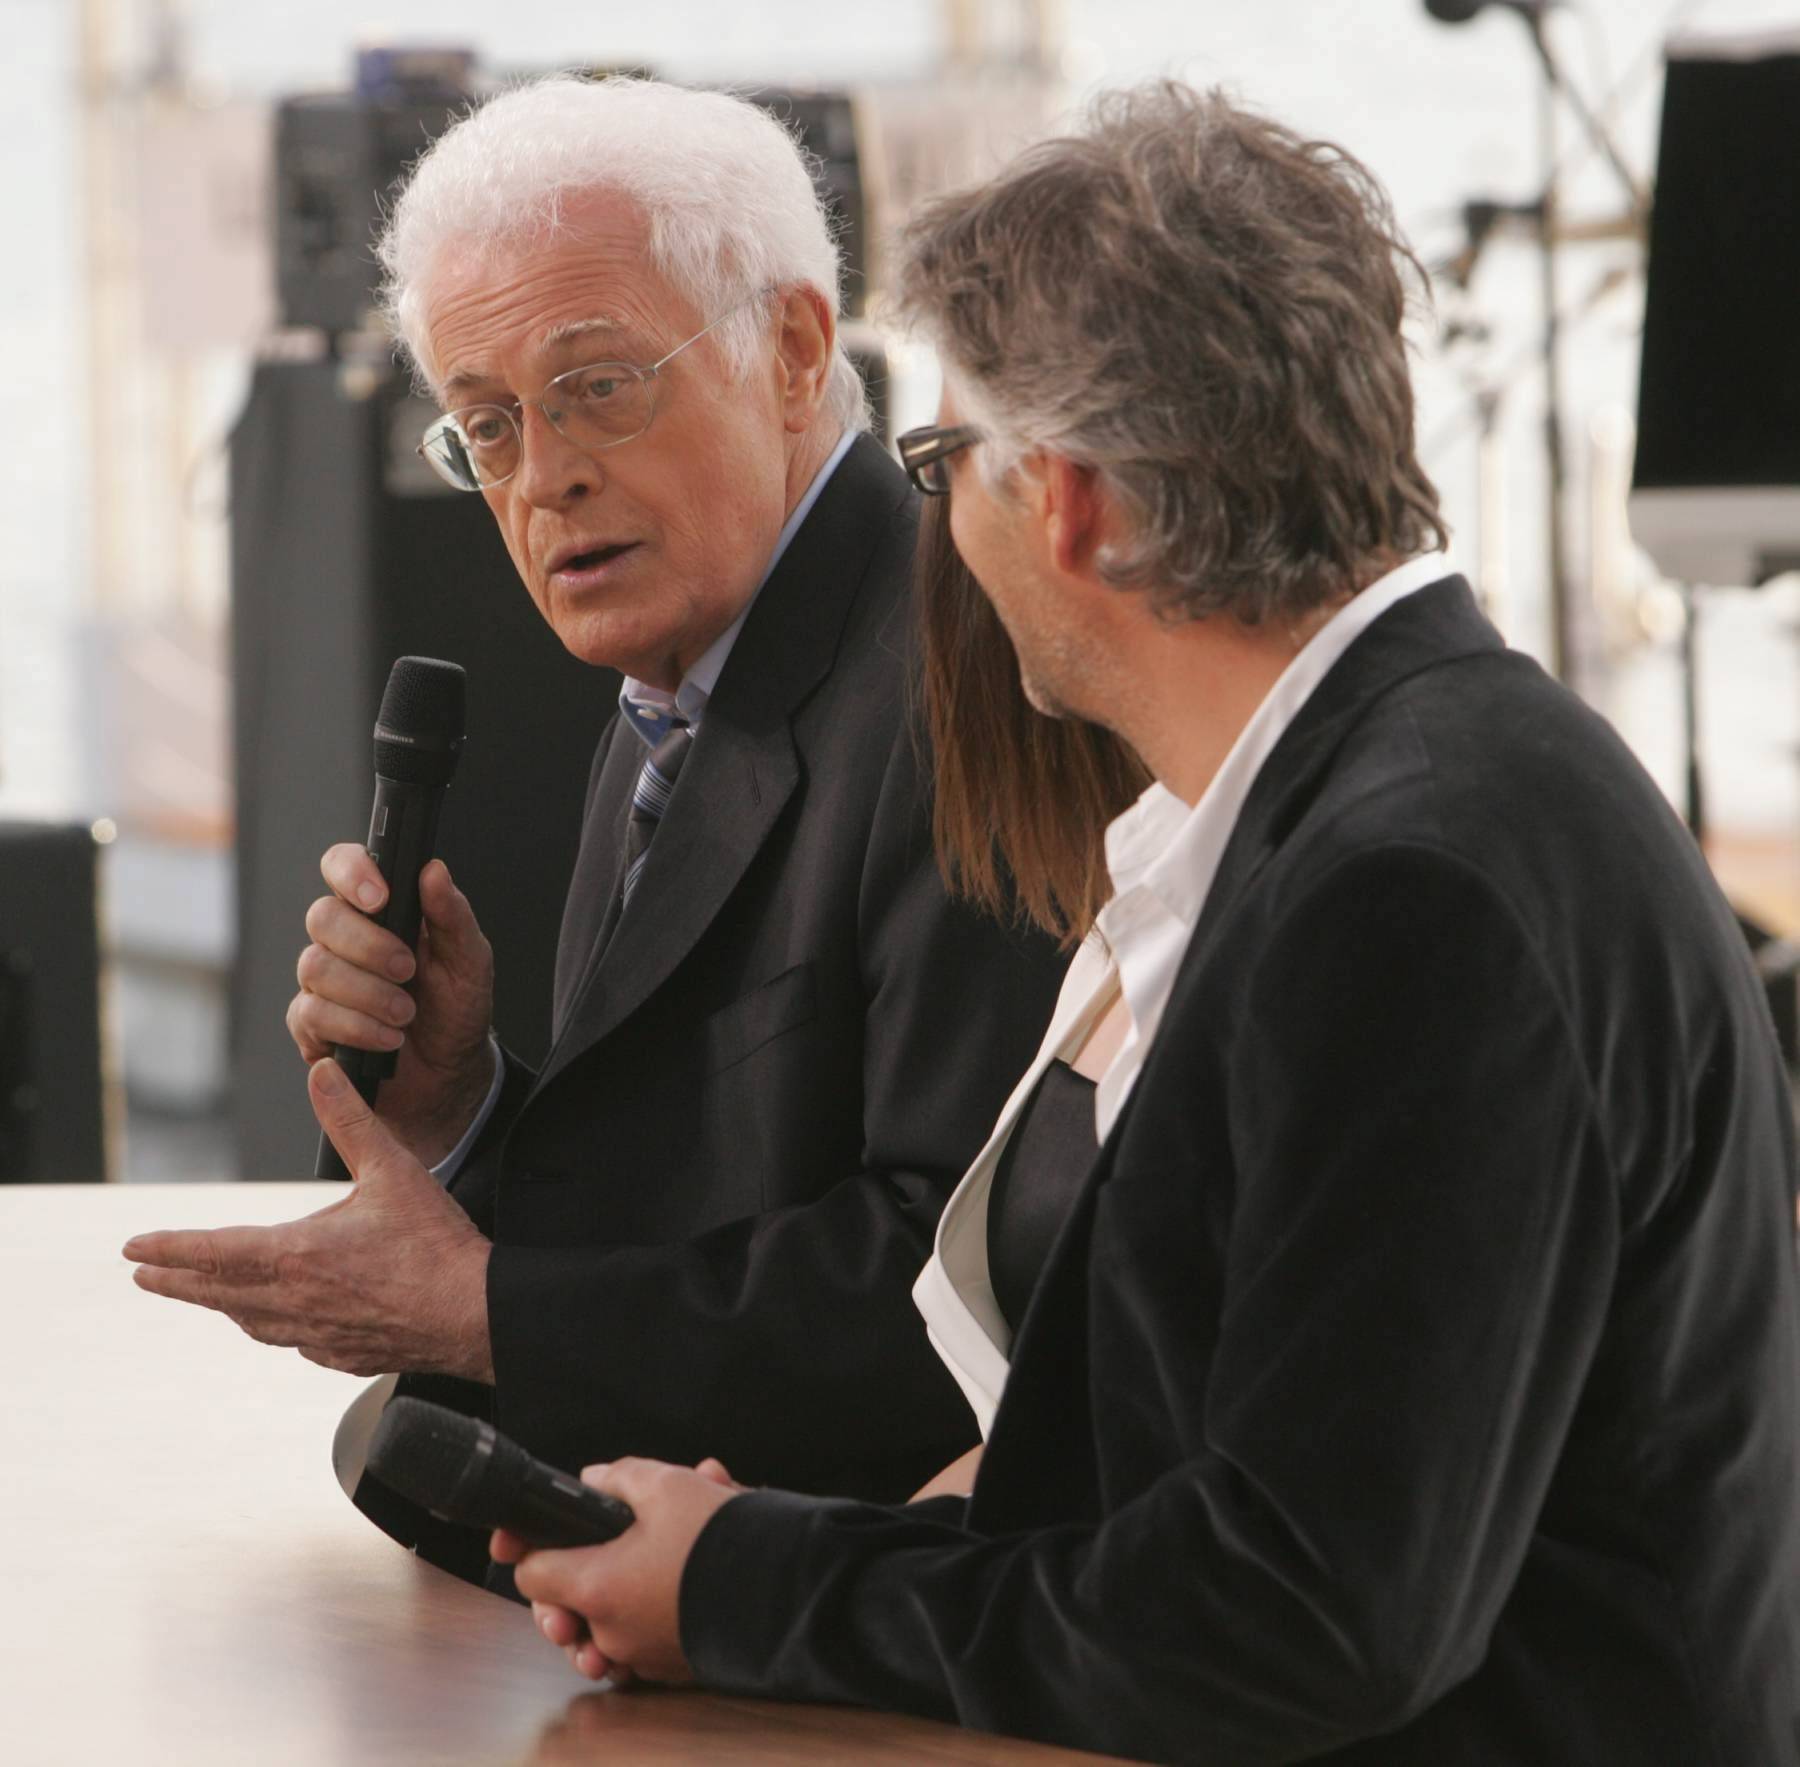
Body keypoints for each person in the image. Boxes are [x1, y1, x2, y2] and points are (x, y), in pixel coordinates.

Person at [492, 83, 1800, 1763]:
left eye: (947, 460)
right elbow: (1201, 1492)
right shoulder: (1399, 795)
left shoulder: (1413, 893)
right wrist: (756, 1556)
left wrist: (755, 1589)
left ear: (1071, 504)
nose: (936, 529)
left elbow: (1299, 1615)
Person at [121, 76, 1068, 1573]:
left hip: (862, 1613)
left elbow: (963, 1291)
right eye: (485, 427)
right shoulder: (683, 682)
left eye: (598, 387)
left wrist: (478, 1314)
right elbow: (694, 1204)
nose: (543, 474)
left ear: (795, 347)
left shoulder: (966, 687)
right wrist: (454, 1109)